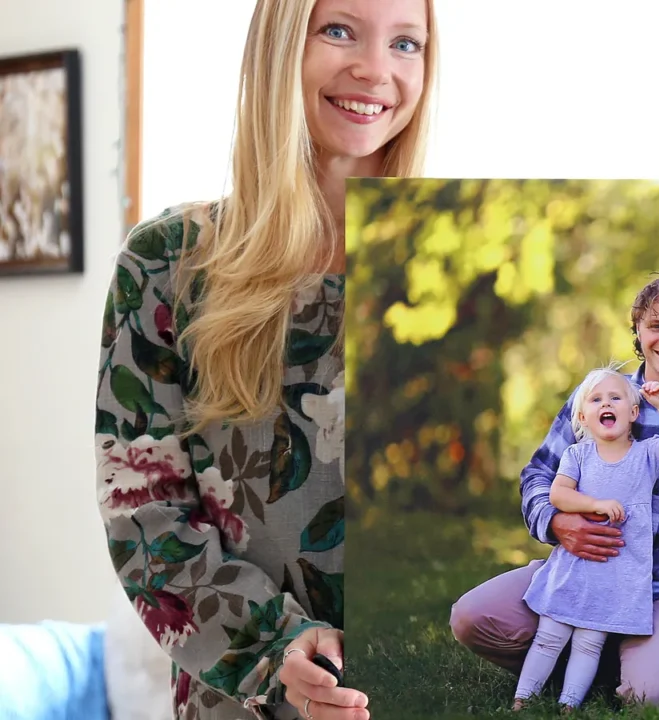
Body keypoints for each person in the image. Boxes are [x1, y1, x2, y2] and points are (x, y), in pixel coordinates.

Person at [94, 1, 435, 718]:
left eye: (407, 43)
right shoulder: (167, 263)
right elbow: (144, 514)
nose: (376, 68)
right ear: (280, 46)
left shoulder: (442, 272)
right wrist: (276, 651)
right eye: (338, 30)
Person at [450, 271, 659, 706]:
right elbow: (539, 475)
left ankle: (622, 659)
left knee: (651, 696)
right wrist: (557, 522)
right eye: (656, 326)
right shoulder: (600, 395)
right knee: (472, 618)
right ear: (638, 331)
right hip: (581, 571)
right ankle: (589, 654)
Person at [513, 365, 659, 711]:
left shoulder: (646, 453)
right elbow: (558, 495)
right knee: (549, 637)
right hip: (575, 565)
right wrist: (595, 503)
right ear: (583, 415)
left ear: (633, 412)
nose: (605, 404)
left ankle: (569, 703)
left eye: (615, 398)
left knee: (589, 642)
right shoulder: (577, 455)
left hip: (618, 573)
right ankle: (523, 699)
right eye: (596, 399)